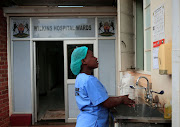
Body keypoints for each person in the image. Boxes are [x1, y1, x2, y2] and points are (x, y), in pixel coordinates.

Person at [70, 46, 135, 127]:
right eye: (92, 56)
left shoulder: (80, 78)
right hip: (93, 123)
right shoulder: (89, 80)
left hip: (84, 121)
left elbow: (97, 99)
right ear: (83, 61)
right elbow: (106, 103)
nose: (96, 58)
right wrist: (122, 99)